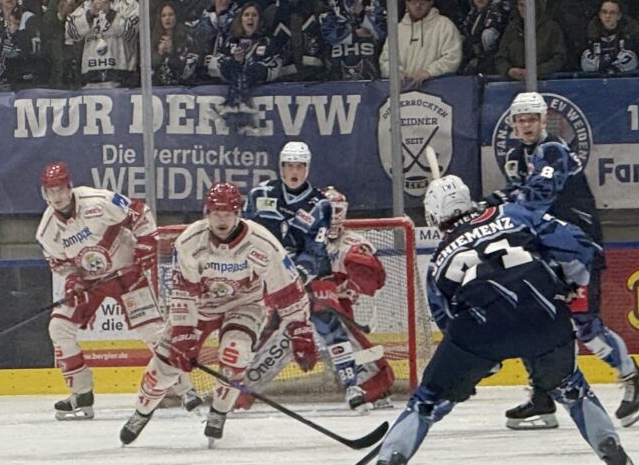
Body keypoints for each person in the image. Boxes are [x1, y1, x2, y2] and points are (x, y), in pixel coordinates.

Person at [346, 175, 639, 465]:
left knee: (426, 402)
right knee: (572, 389)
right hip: (544, 316)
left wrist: (477, 367)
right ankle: (618, 460)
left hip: (480, 331)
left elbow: (448, 323)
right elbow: (577, 244)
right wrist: (571, 284)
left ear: (433, 217)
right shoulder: (515, 213)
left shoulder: (439, 260)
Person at [493, 92, 639, 429]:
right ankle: (542, 396)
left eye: (532, 119)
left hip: (577, 249)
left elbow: (538, 195)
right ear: (513, 124)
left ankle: (636, 381)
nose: (526, 125)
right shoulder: (516, 155)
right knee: (532, 317)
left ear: (543, 121)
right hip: (546, 250)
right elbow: (513, 193)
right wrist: (480, 206)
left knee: (584, 323)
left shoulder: (553, 150)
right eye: (521, 120)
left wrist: (492, 211)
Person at [119, 182, 311, 447]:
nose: (222, 219)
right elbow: (184, 291)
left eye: (228, 213)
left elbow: (287, 288)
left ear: (239, 213)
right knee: (164, 370)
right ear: (206, 213)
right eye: (216, 212)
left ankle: (219, 413)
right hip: (201, 307)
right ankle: (142, 412)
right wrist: (183, 332)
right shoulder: (189, 241)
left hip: (244, 304)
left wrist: (300, 328)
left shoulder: (262, 243)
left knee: (235, 354)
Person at [35, 162, 198, 421]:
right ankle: (81, 394)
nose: (57, 196)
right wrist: (74, 280)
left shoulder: (98, 201)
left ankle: (185, 390)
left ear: (70, 187)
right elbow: (60, 264)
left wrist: (146, 244)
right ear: (44, 194)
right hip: (91, 282)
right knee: (59, 327)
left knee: (152, 332)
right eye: (50, 191)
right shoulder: (47, 231)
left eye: (61, 189)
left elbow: (140, 212)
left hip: (127, 274)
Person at [245, 142, 384, 410]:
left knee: (328, 322)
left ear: (307, 168)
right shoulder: (259, 194)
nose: (294, 172)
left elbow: (315, 249)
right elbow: (248, 236)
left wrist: (298, 274)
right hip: (269, 274)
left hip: (311, 275)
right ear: (281, 167)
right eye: (289, 166)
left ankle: (352, 384)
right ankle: (240, 385)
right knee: (263, 327)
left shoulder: (319, 204)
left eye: (299, 166)